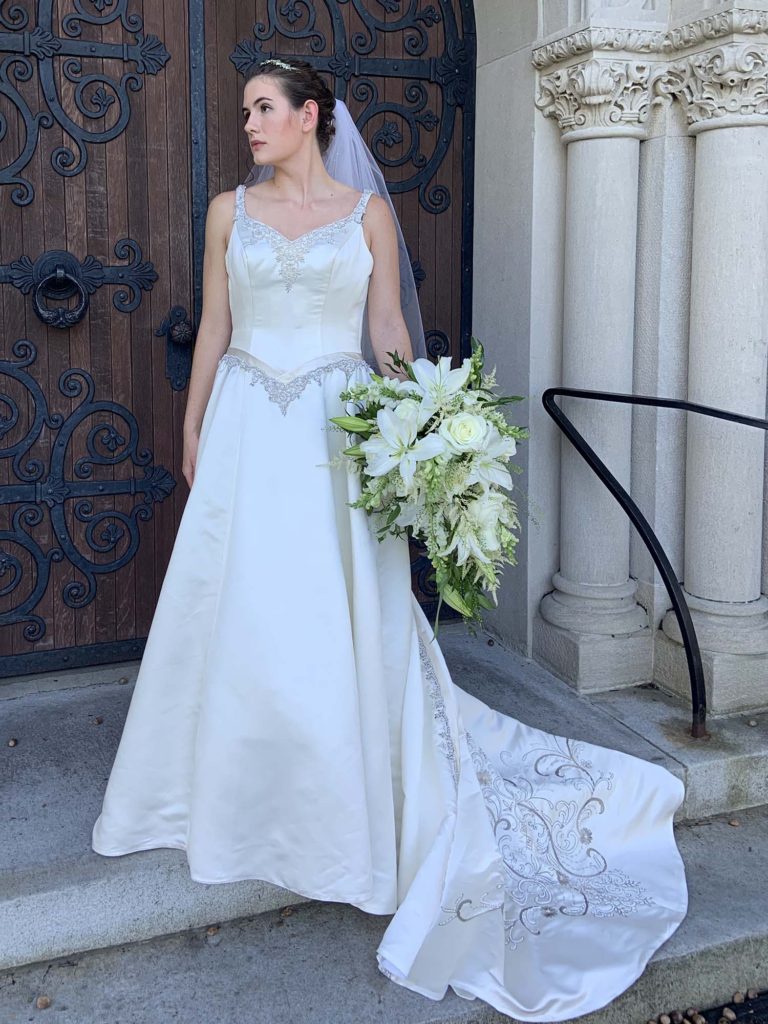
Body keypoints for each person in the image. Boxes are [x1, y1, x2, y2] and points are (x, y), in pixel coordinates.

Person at [92, 58, 688, 1021]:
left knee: (334, 615)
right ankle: (216, 796)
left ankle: (346, 808)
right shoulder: (223, 214)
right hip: (247, 422)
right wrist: (193, 425)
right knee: (239, 607)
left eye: (262, 109)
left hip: (336, 430)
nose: (248, 123)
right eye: (243, 109)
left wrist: (422, 443)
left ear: (309, 117)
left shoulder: (365, 217)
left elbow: (387, 335)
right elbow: (213, 326)